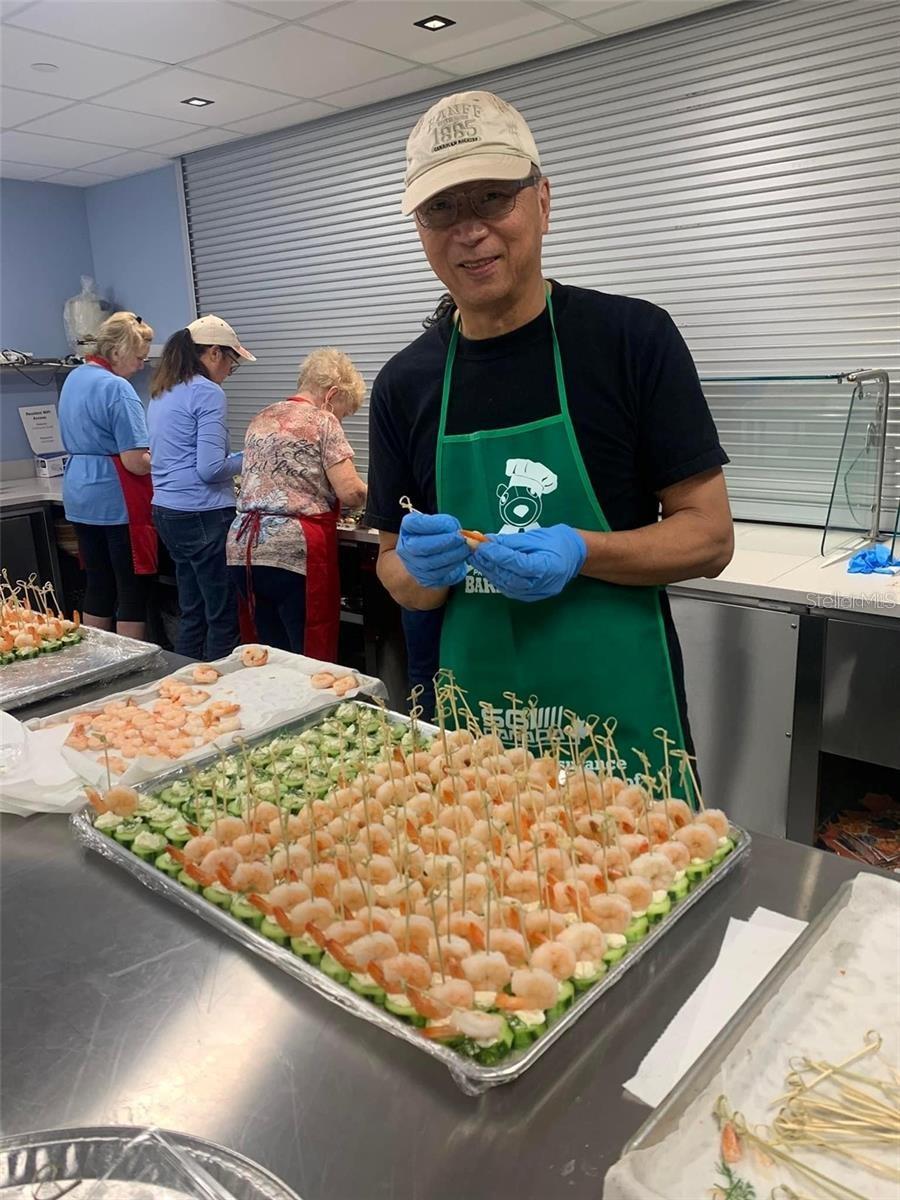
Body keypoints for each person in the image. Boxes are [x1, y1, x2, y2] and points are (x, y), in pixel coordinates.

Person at [364, 90, 735, 778]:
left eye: (493, 199)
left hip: (623, 742)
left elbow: (710, 538)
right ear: (420, 229)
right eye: (441, 208)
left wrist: (580, 549)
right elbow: (394, 568)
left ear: (542, 202)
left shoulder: (631, 340)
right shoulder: (403, 385)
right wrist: (418, 571)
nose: (468, 230)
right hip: (479, 741)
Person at [226, 348, 367, 658]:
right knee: (306, 653)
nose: (341, 419)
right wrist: (377, 492)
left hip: (243, 547)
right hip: (293, 552)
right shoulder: (323, 421)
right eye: (344, 411)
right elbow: (351, 493)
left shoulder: (262, 417)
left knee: (264, 651)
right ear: (332, 394)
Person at [148, 315, 254, 661]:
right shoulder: (208, 392)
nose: (228, 372)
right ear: (213, 353)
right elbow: (210, 469)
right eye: (231, 363)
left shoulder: (163, 390)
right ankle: (217, 692)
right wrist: (253, 455)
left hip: (167, 511)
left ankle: (183, 685)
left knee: (191, 610)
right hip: (202, 514)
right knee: (222, 617)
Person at [58, 311, 155, 640]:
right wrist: (166, 458)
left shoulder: (75, 377)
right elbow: (135, 461)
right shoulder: (118, 389)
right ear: (119, 352)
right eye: (140, 358)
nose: (142, 366)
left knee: (97, 583)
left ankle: (97, 661)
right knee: (131, 588)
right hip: (115, 497)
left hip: (79, 493)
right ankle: (131, 670)